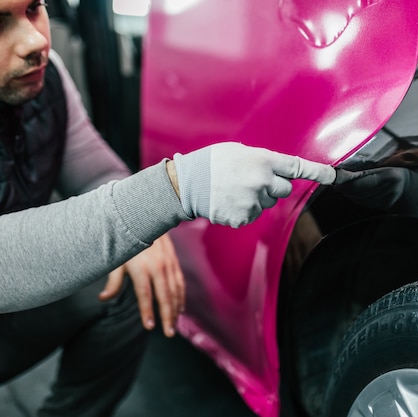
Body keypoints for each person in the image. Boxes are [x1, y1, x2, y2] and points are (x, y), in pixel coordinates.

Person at [0, 1, 335, 416]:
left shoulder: (46, 79)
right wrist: (176, 189)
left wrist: (139, 229)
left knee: (126, 282)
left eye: (34, 8)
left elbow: (93, 169)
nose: (35, 41)